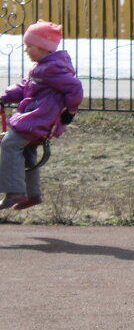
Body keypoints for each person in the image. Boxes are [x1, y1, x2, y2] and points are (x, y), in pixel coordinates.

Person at [1, 20, 83, 211]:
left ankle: (15, 192)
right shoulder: (43, 67)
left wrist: (70, 112)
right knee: (26, 151)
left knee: (10, 143)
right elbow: (26, 87)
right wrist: (4, 98)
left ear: (43, 48)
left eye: (29, 46)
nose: (26, 50)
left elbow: (75, 87)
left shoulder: (50, 68)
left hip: (39, 120)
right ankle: (32, 194)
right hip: (37, 118)